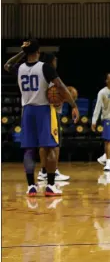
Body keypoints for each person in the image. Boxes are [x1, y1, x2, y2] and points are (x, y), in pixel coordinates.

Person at [4, 39, 79, 197]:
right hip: (43, 110)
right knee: (51, 147)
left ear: (26, 53)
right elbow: (61, 87)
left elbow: (6, 65)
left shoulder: (19, 68)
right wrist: (73, 105)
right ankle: (51, 186)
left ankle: (31, 186)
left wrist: (21, 53)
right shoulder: (45, 67)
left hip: (27, 111)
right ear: (38, 52)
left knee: (29, 150)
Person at [37, 52, 70, 182]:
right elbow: (54, 97)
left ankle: (43, 171)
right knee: (55, 144)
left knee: (43, 145)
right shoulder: (51, 76)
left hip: (40, 112)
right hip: (51, 113)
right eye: (55, 60)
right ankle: (54, 170)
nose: (56, 62)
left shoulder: (40, 74)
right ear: (52, 62)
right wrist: (67, 98)